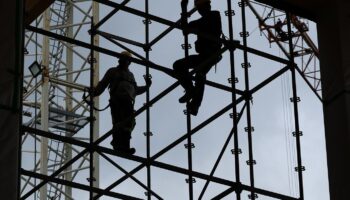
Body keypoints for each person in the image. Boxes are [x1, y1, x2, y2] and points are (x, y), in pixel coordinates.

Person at [91, 51, 152, 155]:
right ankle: (117, 145)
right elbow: (103, 83)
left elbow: (135, 90)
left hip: (128, 101)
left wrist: (147, 86)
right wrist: (95, 92)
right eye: (122, 59)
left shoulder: (130, 75)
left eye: (125, 59)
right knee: (118, 122)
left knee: (128, 123)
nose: (123, 61)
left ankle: (125, 147)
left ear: (129, 62)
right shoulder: (113, 71)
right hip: (117, 100)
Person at [173, 0, 222, 116]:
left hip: (212, 54)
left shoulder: (215, 15)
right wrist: (183, 9)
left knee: (200, 73)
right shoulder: (200, 21)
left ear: (207, 6)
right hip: (203, 56)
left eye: (201, 8)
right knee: (178, 65)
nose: (200, 11)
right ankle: (190, 90)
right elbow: (185, 31)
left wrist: (187, 17)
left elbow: (194, 26)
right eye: (199, 9)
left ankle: (195, 104)